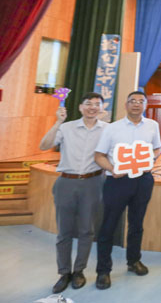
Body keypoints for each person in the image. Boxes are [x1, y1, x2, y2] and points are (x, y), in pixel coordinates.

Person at [38, 92, 107, 293]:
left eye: (97, 104)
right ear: (80, 107)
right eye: (88, 104)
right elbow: (44, 145)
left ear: (101, 108)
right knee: (64, 232)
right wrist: (58, 122)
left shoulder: (107, 130)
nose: (92, 107)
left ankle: (79, 271)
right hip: (66, 183)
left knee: (86, 230)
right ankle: (64, 272)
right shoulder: (66, 127)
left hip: (93, 182)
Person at [93, 91, 161, 290]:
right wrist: (112, 169)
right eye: (132, 101)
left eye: (141, 101)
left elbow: (157, 148)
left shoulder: (152, 125)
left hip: (143, 180)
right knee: (109, 225)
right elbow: (99, 155)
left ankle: (134, 261)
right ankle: (103, 271)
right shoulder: (112, 128)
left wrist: (150, 160)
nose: (136, 104)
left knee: (137, 224)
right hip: (118, 181)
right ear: (126, 104)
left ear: (146, 105)